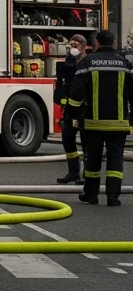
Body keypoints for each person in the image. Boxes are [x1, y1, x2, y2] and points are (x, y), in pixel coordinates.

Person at [67, 29, 132, 207]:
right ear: (113, 43)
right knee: (115, 158)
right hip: (118, 123)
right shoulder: (125, 63)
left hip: (93, 123)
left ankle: (91, 195)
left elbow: (77, 92)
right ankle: (113, 196)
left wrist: (71, 114)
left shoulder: (88, 62)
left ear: (96, 43)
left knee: (93, 159)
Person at [54, 33, 89, 184]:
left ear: (83, 46)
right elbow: (64, 80)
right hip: (70, 108)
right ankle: (73, 172)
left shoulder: (88, 62)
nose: (72, 48)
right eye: (71, 46)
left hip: (84, 109)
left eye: (75, 45)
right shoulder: (70, 61)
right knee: (68, 140)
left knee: (87, 143)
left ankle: (88, 175)